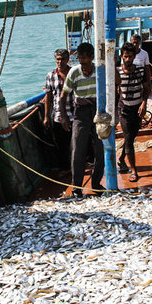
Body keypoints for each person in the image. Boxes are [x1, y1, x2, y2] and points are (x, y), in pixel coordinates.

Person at [60, 42, 105, 197]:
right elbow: (63, 95)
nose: (83, 63)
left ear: (92, 57)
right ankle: (77, 187)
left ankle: (96, 184)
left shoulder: (100, 70)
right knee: (77, 150)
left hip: (98, 111)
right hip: (81, 113)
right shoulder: (74, 72)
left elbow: (115, 83)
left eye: (85, 59)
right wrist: (64, 117)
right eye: (80, 59)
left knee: (100, 150)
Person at [115, 42, 151, 182]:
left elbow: (147, 89)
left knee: (132, 136)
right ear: (122, 57)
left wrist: (144, 103)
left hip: (138, 109)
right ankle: (134, 170)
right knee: (129, 138)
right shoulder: (117, 72)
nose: (128, 59)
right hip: (124, 109)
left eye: (130, 56)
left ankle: (122, 158)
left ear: (134, 56)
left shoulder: (141, 71)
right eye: (125, 57)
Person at [43, 49, 74, 172]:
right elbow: (48, 97)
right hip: (58, 115)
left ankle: (77, 166)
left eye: (62, 59)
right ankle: (65, 168)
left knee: (75, 144)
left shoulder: (73, 73)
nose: (60, 62)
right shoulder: (50, 76)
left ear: (67, 60)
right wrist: (46, 116)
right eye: (58, 59)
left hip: (74, 114)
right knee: (60, 145)